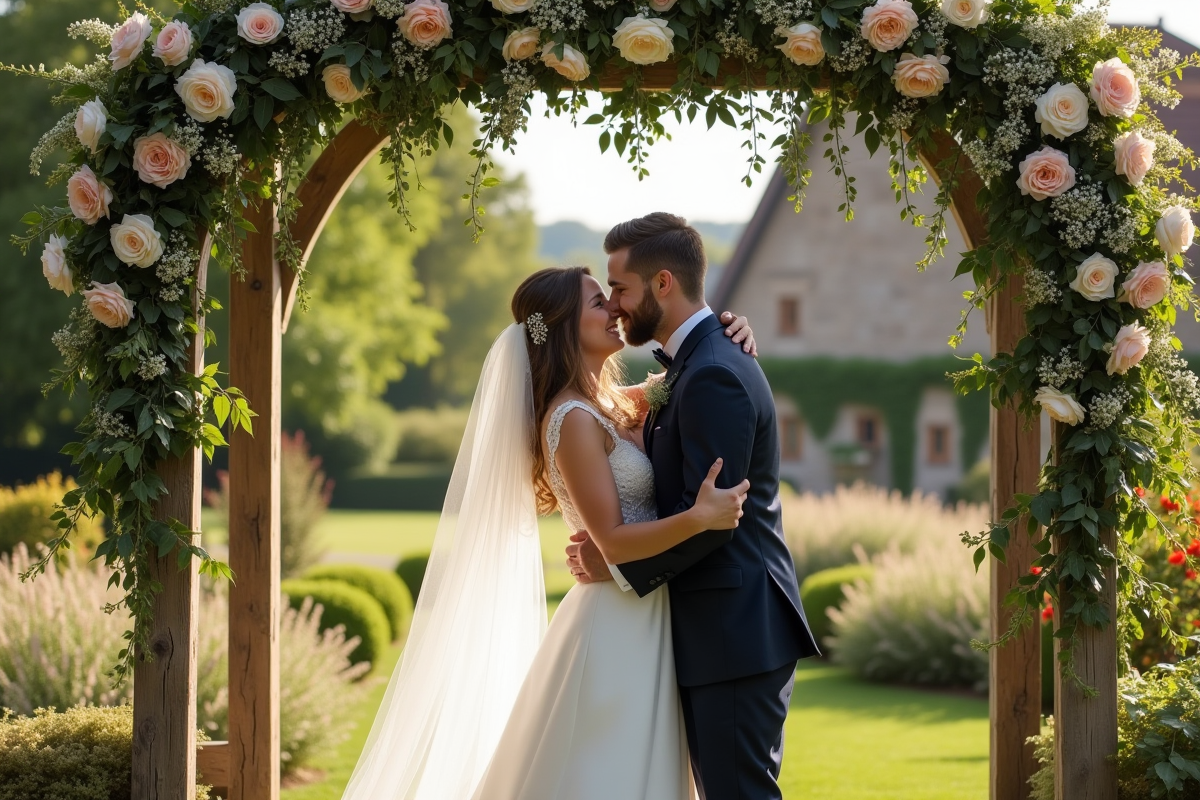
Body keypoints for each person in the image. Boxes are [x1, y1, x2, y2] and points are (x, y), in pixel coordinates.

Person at [339, 262, 759, 800]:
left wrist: (732, 329)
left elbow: (690, 367)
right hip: (614, 623)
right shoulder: (573, 420)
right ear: (563, 328)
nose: (613, 308)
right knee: (604, 774)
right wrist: (698, 518)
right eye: (596, 303)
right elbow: (610, 541)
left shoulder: (609, 404)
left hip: (645, 610)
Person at [568, 212, 821, 800]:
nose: (615, 305)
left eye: (621, 288)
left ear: (662, 283)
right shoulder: (690, 364)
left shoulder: (711, 372)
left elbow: (716, 520)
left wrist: (618, 563)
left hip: (734, 630)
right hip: (716, 629)